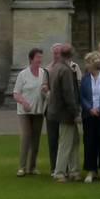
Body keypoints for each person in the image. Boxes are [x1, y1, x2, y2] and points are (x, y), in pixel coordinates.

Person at [79, 50, 100, 182]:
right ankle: (90, 171)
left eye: (88, 62)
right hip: (89, 116)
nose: (86, 65)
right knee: (89, 143)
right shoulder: (85, 78)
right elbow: (82, 97)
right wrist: (90, 108)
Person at [13, 47, 47, 176]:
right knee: (26, 137)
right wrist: (23, 102)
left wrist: (46, 91)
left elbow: (46, 89)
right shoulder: (23, 74)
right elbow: (16, 93)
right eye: (38, 57)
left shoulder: (44, 73)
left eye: (41, 57)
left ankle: (32, 167)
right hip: (25, 112)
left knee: (36, 139)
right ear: (31, 59)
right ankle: (21, 167)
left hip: (38, 111)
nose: (40, 59)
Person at [50, 45, 82, 181]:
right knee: (65, 142)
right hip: (65, 113)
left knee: (75, 140)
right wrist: (75, 113)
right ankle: (59, 172)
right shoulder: (65, 70)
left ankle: (74, 171)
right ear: (71, 55)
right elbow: (68, 94)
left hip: (60, 111)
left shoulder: (56, 67)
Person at [42, 41, 63, 175]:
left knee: (65, 139)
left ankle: (64, 166)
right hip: (51, 109)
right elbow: (44, 87)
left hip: (64, 109)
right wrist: (49, 94)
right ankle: (54, 167)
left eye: (59, 53)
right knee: (53, 139)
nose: (57, 55)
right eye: (55, 53)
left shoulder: (70, 67)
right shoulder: (47, 69)